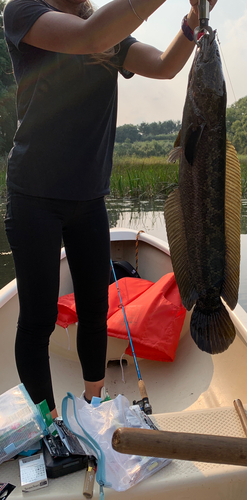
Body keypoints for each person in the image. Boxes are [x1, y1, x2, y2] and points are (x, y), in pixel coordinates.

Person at [3, 0, 217, 418]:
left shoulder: (108, 28)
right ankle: (47, 425)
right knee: (38, 318)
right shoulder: (23, 12)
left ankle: (92, 403)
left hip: (89, 197)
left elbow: (164, 64)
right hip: (34, 194)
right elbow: (89, 38)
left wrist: (193, 20)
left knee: (96, 309)